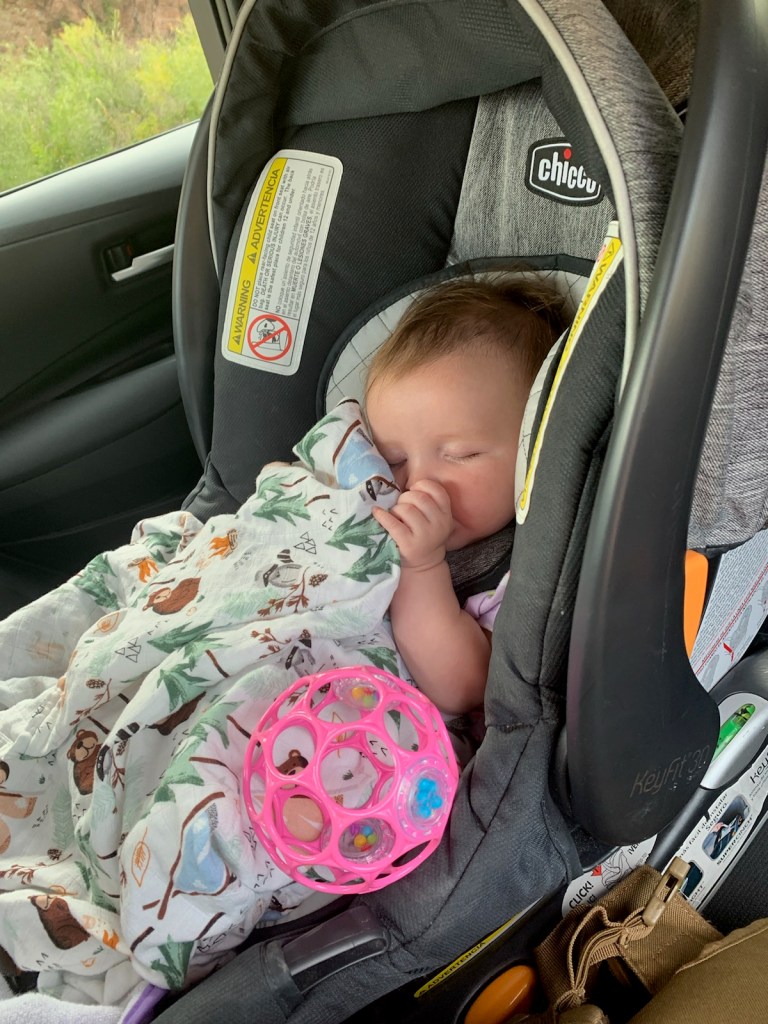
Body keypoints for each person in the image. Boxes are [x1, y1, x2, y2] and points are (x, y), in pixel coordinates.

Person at [365, 273, 569, 715]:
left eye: (461, 455)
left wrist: (421, 567)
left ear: (535, 447)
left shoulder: (527, 572)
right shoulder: (377, 497)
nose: (418, 484)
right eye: (393, 458)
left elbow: (466, 687)